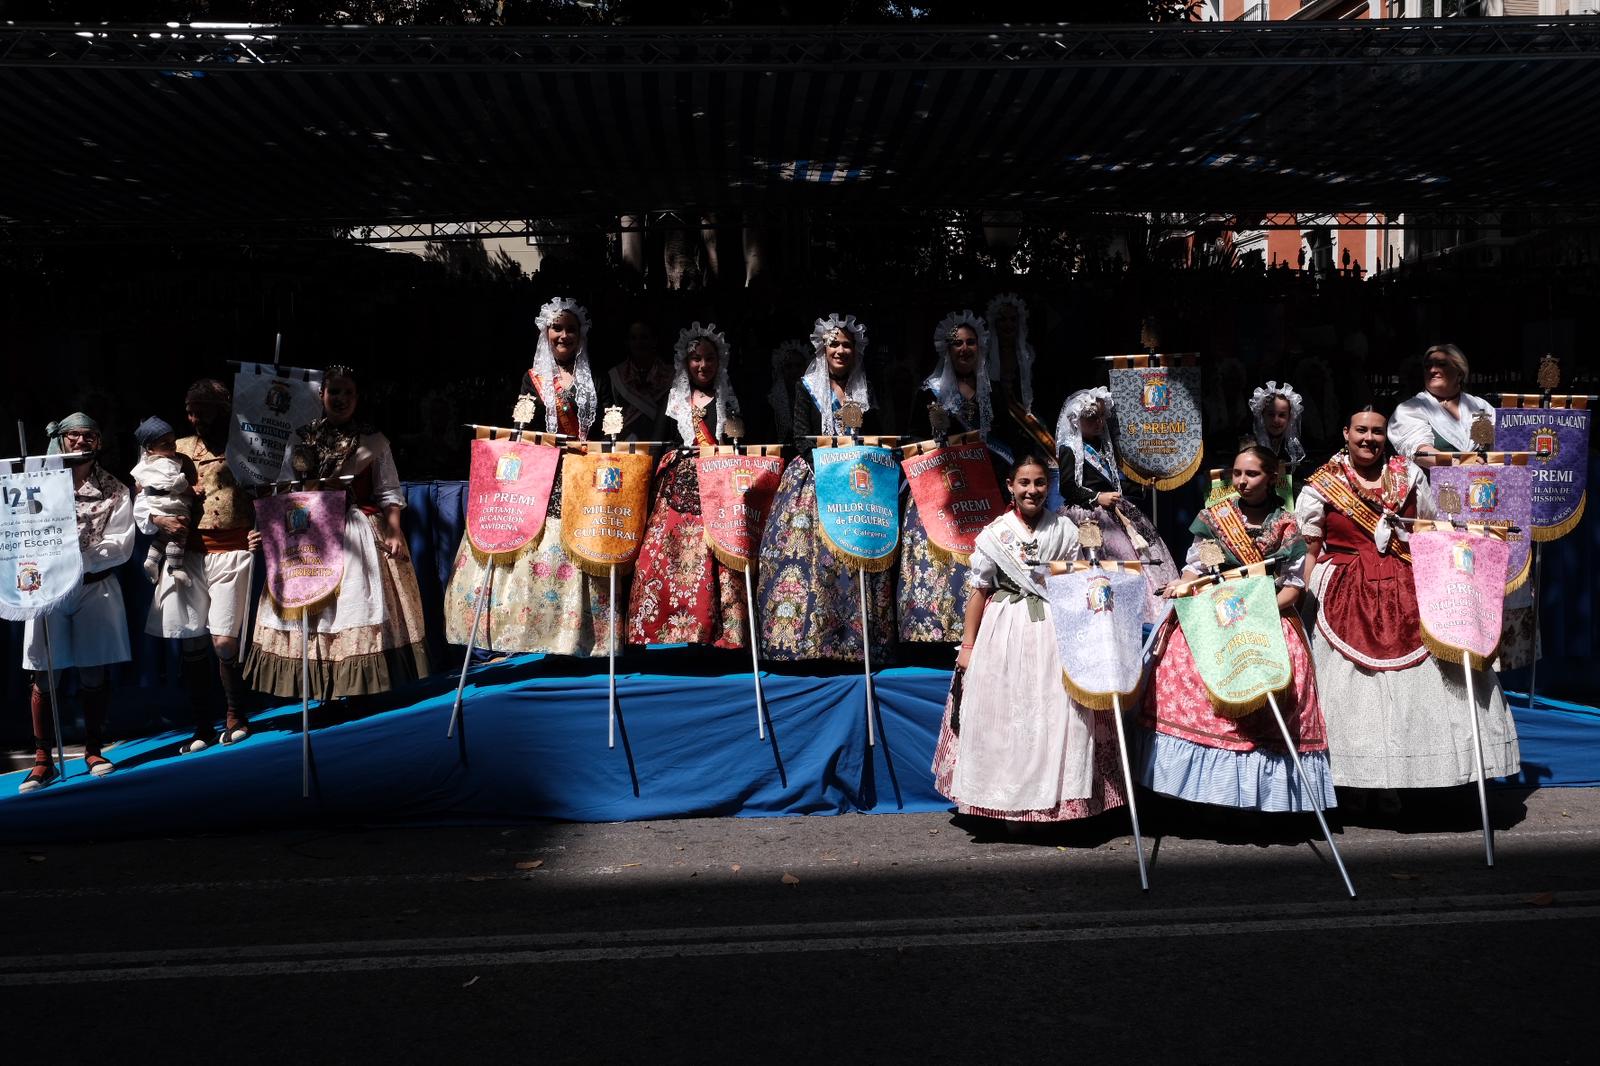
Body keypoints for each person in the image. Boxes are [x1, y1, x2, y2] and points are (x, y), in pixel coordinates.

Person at [1296, 407, 1519, 807]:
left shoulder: (1410, 475)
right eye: (1361, 430)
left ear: (1387, 437)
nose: (1369, 438)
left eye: (1377, 432)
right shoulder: (1321, 486)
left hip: (1408, 586)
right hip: (1344, 591)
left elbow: (1432, 530)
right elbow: (1310, 549)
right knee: (1350, 689)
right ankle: (1354, 782)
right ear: (1345, 432)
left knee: (1424, 686)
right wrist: (1300, 602)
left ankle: (1419, 775)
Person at [1137, 445, 1334, 813]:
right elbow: (1197, 567)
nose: (1242, 482)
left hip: (1266, 618)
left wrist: (1255, 610)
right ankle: (1205, 798)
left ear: (1272, 477)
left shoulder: (1286, 523)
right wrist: (1186, 582)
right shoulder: (1217, 517)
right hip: (1215, 615)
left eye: (1252, 474)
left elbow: (1293, 587)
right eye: (1237, 474)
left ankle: (1260, 800)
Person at [931, 451, 1126, 824]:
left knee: (1055, 713)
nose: (1032, 490)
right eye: (1024, 483)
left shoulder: (1066, 530)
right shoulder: (995, 535)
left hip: (1055, 630)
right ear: (1010, 486)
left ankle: (1054, 805)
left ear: (1048, 486)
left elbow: (1079, 584)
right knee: (1005, 714)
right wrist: (968, 647)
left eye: (1039, 483)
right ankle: (1004, 804)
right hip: (1004, 630)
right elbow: (979, 591)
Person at [443, 296, 620, 657]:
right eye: (558, 328)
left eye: (571, 329)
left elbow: (607, 432)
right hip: (546, 477)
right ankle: (530, 632)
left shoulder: (597, 379)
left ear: (581, 334)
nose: (564, 335)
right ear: (545, 332)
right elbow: (522, 431)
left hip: (584, 479)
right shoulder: (533, 379)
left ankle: (579, 636)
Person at [243, 365, 431, 698]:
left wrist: (392, 531)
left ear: (358, 398)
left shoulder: (373, 440)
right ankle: (320, 686)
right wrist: (268, 531)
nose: (341, 398)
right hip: (310, 533)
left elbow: (388, 491)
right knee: (315, 607)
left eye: (348, 392)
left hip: (355, 529)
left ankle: (361, 686)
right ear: (322, 395)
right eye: (335, 392)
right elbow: (286, 494)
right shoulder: (301, 437)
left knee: (354, 606)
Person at [757, 313, 896, 663]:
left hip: (857, 479)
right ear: (823, 347)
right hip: (817, 478)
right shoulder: (806, 387)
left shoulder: (866, 388)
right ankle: (811, 642)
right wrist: (831, 466)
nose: (841, 350)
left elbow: (877, 431)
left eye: (847, 344)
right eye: (834, 343)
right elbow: (800, 436)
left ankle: (857, 642)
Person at [137, 380, 258, 754]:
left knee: (223, 640)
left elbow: (270, 493)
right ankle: (202, 725)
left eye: (203, 409)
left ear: (223, 409)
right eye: (190, 409)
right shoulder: (176, 450)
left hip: (232, 550)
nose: (195, 417)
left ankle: (236, 713)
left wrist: (262, 531)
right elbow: (144, 496)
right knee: (192, 643)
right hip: (187, 553)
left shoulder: (247, 446)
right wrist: (158, 521)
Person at [17, 414, 136, 792]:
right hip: (47, 589)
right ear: (62, 440)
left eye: (89, 436)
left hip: (92, 585)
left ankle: (93, 749)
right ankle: (42, 759)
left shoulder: (113, 489)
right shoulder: (36, 485)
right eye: (73, 436)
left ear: (98, 442)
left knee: (91, 672)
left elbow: (121, 544)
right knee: (45, 672)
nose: (81, 441)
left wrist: (74, 556)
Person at [626, 322, 748, 648]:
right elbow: (658, 442)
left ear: (719, 361)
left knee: (719, 556)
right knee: (667, 557)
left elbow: (741, 442)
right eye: (696, 359)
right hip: (679, 491)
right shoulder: (675, 399)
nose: (703, 365)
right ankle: (661, 629)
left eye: (709, 358)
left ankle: (719, 630)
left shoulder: (729, 400)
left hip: (719, 488)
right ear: (685, 362)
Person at [898, 310, 997, 644]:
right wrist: (935, 439)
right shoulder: (930, 392)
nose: (965, 349)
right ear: (947, 349)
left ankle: (981, 630)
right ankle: (931, 632)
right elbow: (910, 443)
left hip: (981, 489)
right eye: (958, 344)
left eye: (971, 342)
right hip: (939, 489)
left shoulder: (991, 392)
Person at [1055, 387, 1179, 621]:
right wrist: (1095, 498)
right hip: (1089, 517)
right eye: (1092, 418)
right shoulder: (1069, 449)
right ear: (1076, 420)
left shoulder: (1102, 447)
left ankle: (1150, 610)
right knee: (1117, 557)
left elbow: (1113, 484)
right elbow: (1068, 487)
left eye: (1102, 417)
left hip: (1115, 511)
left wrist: (1140, 488)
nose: (1099, 423)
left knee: (1140, 552)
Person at [1388, 344, 1496, 468]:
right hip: (1436, 484)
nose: (1432, 370)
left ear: (1460, 373)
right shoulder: (1410, 409)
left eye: (1442, 364)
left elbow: (1498, 445)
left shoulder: (1479, 406)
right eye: (1427, 367)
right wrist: (1459, 464)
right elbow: (1419, 452)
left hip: (1482, 482)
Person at [130, 416, 199, 589]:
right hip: (169, 504)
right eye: (165, 444)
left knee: (163, 537)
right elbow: (175, 483)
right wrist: (192, 490)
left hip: (158, 504)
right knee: (178, 533)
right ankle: (175, 567)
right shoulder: (164, 463)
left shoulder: (148, 462)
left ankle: (152, 560)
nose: (172, 446)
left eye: (172, 441)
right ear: (150, 449)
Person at [608, 319, 673, 441]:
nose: (638, 342)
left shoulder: (670, 375)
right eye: (633, 338)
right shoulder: (617, 374)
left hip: (662, 440)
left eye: (644, 337)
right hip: (627, 441)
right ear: (627, 342)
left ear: (654, 340)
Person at [1247, 380, 1308, 503]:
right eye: (1270, 414)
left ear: (1289, 418)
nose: (1276, 420)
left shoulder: (1294, 448)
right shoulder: (1250, 444)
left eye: (1281, 415)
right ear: (1262, 415)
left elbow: (1298, 481)